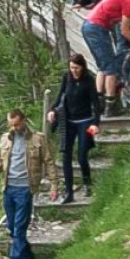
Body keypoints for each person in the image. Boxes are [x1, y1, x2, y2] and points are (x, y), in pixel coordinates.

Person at [0, 107, 52, 259]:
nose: (14, 128)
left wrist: (54, 185)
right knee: (11, 226)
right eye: (11, 125)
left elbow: (49, 161)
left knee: (19, 227)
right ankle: (28, 256)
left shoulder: (37, 139)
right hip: (8, 188)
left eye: (17, 124)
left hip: (25, 188)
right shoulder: (5, 139)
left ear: (24, 121)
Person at [47, 54, 101, 202]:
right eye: (71, 68)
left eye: (77, 68)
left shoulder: (89, 80)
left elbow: (96, 103)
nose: (74, 71)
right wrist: (52, 110)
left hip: (85, 121)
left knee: (82, 155)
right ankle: (69, 191)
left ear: (82, 67)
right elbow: (60, 97)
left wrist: (95, 123)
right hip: (69, 121)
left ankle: (87, 182)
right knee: (66, 156)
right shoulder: (67, 78)